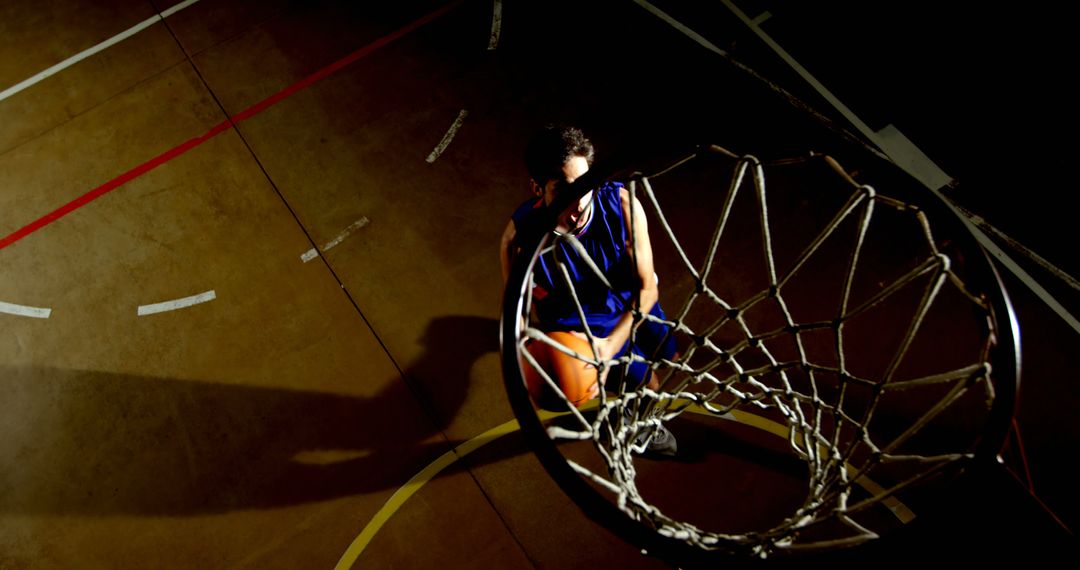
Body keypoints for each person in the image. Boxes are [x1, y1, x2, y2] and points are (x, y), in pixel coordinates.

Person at [500, 125, 678, 456]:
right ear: (538, 189)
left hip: (631, 299)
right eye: (564, 189)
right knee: (646, 382)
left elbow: (648, 289)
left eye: (585, 186)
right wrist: (531, 347)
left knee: (670, 357)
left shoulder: (623, 206)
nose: (579, 201)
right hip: (579, 321)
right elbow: (514, 306)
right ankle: (640, 422)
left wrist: (611, 344)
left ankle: (638, 398)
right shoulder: (522, 239)